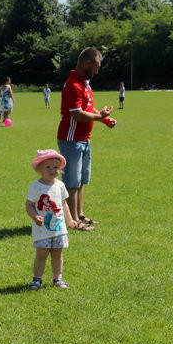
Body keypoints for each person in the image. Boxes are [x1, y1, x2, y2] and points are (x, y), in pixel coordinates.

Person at [56, 47, 117, 232]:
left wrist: (104, 119)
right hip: (71, 140)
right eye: (97, 66)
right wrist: (100, 117)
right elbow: (77, 115)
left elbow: (89, 107)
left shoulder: (85, 83)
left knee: (81, 180)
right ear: (87, 63)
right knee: (72, 183)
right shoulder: (73, 84)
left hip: (84, 139)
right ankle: (74, 221)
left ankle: (80, 214)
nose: (98, 71)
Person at [25, 149, 78, 290]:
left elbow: (64, 204)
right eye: (48, 167)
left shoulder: (60, 185)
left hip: (59, 228)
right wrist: (35, 216)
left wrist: (70, 220)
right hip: (42, 229)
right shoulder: (35, 187)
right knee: (41, 254)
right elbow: (29, 205)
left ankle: (57, 278)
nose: (52, 170)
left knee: (57, 254)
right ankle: (37, 280)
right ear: (39, 169)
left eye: (56, 167)